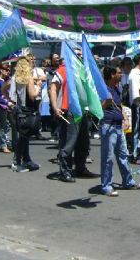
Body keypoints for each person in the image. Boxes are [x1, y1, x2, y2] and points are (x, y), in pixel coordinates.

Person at [50, 48, 97, 182]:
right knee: (69, 142)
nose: (81, 56)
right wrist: (55, 107)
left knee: (84, 142)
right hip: (69, 110)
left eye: (82, 54)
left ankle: (80, 168)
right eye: (78, 54)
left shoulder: (83, 70)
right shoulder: (64, 69)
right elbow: (53, 88)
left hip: (83, 111)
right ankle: (65, 171)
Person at [100, 65, 140, 196]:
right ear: (112, 75)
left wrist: (124, 118)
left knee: (123, 156)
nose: (121, 75)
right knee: (107, 158)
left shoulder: (116, 88)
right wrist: (105, 103)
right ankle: (107, 186)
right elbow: (97, 109)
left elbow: (119, 105)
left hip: (119, 127)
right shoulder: (103, 90)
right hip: (108, 126)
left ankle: (128, 181)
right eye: (119, 73)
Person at [9, 57, 41, 172]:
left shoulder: (14, 78)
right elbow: (33, 95)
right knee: (24, 137)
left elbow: (8, 92)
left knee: (24, 136)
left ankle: (26, 160)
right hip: (28, 110)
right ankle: (16, 161)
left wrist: (11, 103)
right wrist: (38, 87)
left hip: (18, 110)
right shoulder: (29, 79)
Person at [0, 64, 12, 153]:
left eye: (9, 70)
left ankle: (6, 142)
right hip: (0, 105)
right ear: (1, 70)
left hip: (6, 105)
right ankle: (3, 145)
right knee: (2, 125)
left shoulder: (5, 81)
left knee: (6, 125)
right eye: (6, 70)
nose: (8, 71)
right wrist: (6, 102)